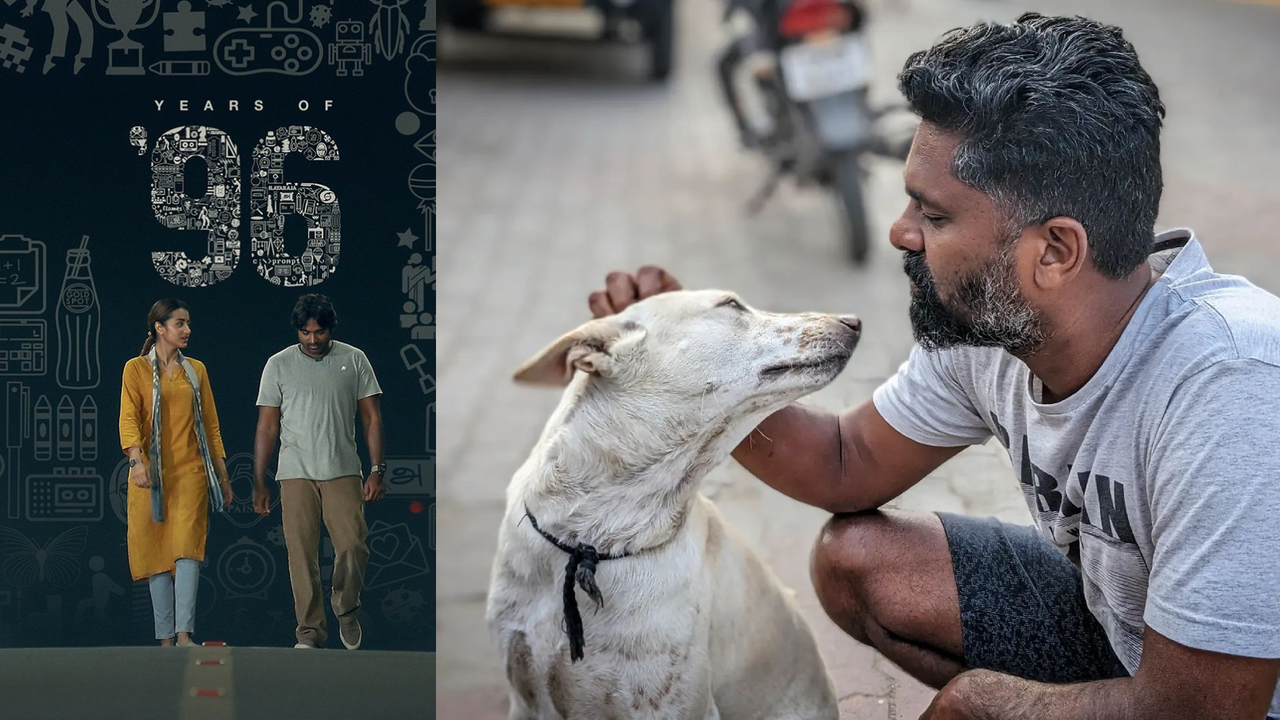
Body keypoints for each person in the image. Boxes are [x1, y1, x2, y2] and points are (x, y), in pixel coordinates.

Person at [589, 13, 1280, 720]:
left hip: (1225, 694)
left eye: (935, 215)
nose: (900, 231)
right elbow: (844, 460)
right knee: (855, 560)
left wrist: (984, 703)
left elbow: (1204, 709)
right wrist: (704, 375)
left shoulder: (1232, 386)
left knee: (977, 709)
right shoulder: (998, 327)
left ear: (1054, 252)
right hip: (1132, 638)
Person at [252, 293, 386, 650]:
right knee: (301, 553)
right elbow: (267, 427)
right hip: (294, 471)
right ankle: (309, 631)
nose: (312, 340)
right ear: (297, 330)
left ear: (331, 329)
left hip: (342, 469)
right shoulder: (278, 364)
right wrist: (259, 478)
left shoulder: (354, 359)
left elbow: (371, 417)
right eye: (305, 333)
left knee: (353, 547)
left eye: (319, 332)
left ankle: (346, 609)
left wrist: (376, 469)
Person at [119, 299, 232, 647]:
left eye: (187, 323)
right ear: (160, 327)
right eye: (180, 323)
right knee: (156, 553)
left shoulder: (195, 370)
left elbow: (211, 427)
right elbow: (129, 419)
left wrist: (223, 477)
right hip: (151, 474)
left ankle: (184, 634)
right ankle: (165, 637)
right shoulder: (136, 369)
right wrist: (136, 461)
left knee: (187, 551)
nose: (187, 330)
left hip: (191, 472)